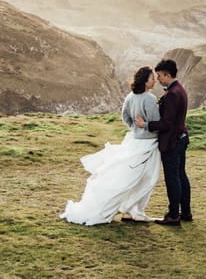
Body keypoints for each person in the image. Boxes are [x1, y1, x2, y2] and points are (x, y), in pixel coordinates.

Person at [60, 66, 161, 225]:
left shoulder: (130, 97)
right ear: (145, 80)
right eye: (152, 78)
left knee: (131, 177)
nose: (154, 80)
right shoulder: (149, 98)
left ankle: (130, 210)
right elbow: (156, 122)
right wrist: (145, 126)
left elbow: (125, 117)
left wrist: (134, 128)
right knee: (148, 178)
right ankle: (135, 211)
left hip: (134, 140)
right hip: (148, 142)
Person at [135, 59, 191, 226]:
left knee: (173, 178)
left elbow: (167, 124)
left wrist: (146, 124)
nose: (158, 79)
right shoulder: (179, 89)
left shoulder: (172, 94)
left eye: (159, 75)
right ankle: (185, 212)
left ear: (167, 75)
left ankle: (174, 215)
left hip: (172, 142)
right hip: (181, 138)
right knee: (181, 175)